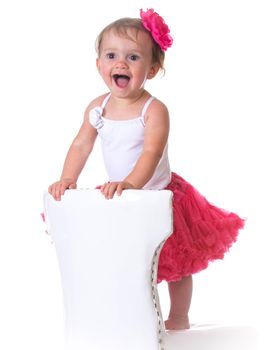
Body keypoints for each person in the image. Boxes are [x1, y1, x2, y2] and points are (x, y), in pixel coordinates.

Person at [48, 8, 245, 330]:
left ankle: (179, 315)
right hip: (122, 196)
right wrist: (69, 177)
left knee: (177, 261)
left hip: (158, 195)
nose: (121, 63)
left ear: (152, 70)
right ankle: (134, 316)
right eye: (111, 55)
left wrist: (130, 183)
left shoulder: (154, 110)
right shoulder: (97, 107)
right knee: (131, 262)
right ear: (99, 65)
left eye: (134, 58)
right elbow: (81, 144)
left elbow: (151, 153)